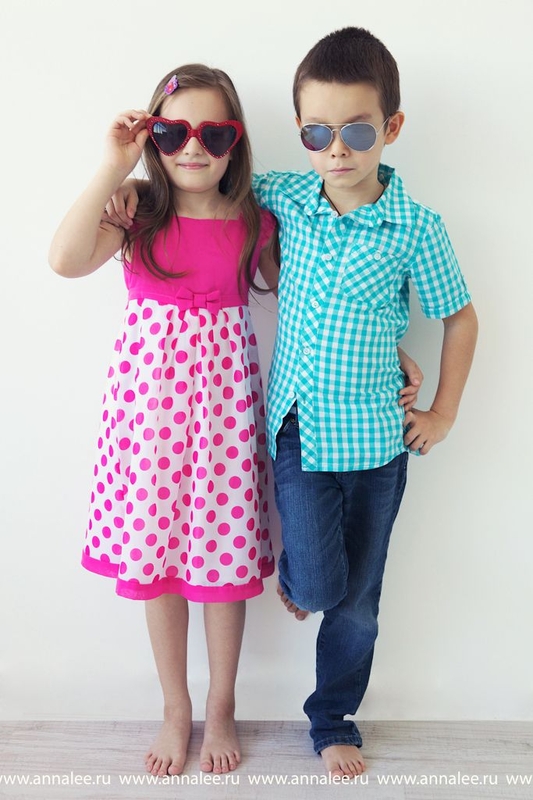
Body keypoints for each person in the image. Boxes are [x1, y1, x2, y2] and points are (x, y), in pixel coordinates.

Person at [105, 27, 468, 779]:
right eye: (316, 133)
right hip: (297, 431)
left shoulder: (417, 228)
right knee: (319, 582)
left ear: (391, 127)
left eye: (357, 131)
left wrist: (440, 408)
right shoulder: (284, 197)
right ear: (298, 131)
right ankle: (300, 583)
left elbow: (458, 318)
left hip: (379, 441)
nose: (336, 150)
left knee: (358, 602)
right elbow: (202, 187)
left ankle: (332, 720)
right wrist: (134, 184)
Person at [49, 64, 281, 777]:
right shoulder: (135, 211)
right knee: (158, 565)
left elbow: (311, 297)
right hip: (148, 418)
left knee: (222, 564)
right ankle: (174, 708)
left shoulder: (256, 221)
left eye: (213, 133)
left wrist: (392, 350)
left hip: (224, 421)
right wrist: (113, 165)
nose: (193, 147)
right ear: (154, 138)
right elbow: (63, 260)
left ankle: (220, 705)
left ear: (235, 141)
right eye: (174, 133)